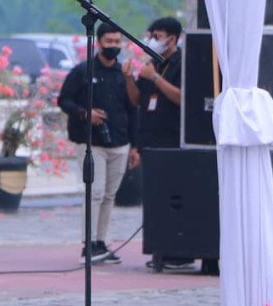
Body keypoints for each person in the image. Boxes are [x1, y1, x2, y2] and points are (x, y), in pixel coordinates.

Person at [58, 23, 137, 264]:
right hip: (91, 142)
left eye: (117, 42)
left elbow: (134, 107)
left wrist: (136, 145)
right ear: (99, 42)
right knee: (95, 192)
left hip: (120, 142)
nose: (113, 46)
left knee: (110, 195)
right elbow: (64, 100)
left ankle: (101, 242)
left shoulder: (123, 74)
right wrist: (85, 114)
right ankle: (89, 243)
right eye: (109, 41)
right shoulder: (82, 71)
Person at [122, 16, 194, 271]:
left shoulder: (182, 62)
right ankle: (160, 249)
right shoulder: (149, 63)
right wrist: (130, 78)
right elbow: (136, 101)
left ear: (172, 39)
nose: (152, 40)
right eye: (150, 35)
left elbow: (183, 98)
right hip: (149, 139)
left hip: (173, 140)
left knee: (175, 198)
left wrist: (155, 78)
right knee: (154, 198)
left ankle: (180, 251)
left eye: (158, 36)